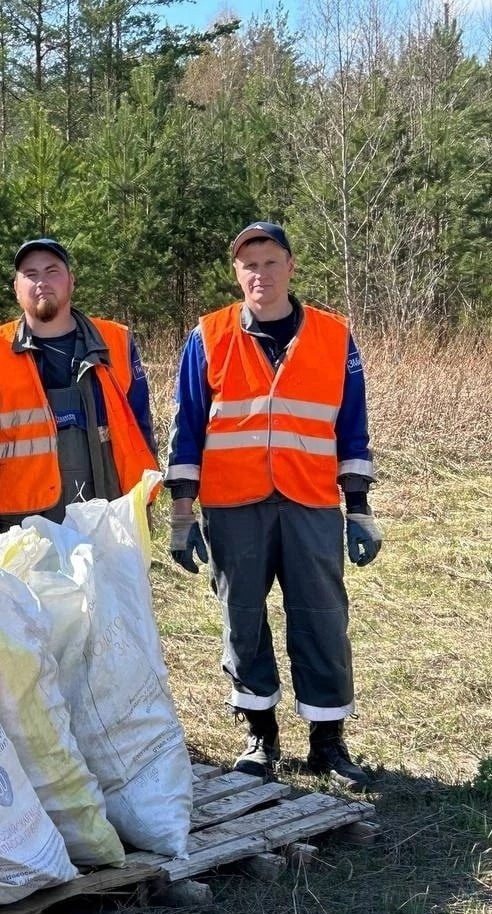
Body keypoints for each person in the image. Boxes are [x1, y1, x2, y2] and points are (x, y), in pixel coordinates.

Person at [165, 221, 383, 792]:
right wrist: (182, 515)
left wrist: (358, 507)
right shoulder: (208, 335)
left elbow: (351, 427)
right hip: (233, 505)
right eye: (248, 265)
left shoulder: (335, 336)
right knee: (242, 620)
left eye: (269, 261)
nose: (259, 274)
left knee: (322, 618)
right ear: (237, 274)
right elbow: (186, 427)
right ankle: (260, 735)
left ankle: (328, 742)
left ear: (289, 265)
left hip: (311, 500)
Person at [0, 238, 158, 539]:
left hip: (108, 508)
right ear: (16, 288)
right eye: (31, 274)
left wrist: (144, 499)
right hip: (24, 519)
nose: (42, 282)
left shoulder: (116, 342)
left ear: (71, 281)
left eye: (52, 271)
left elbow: (140, 429)